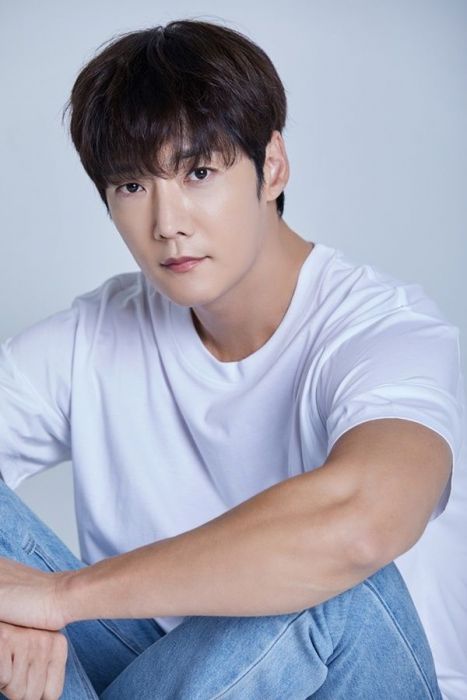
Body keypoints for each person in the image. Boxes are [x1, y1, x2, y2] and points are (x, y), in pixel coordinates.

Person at [0, 18, 465, 700]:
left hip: (359, 675)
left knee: (333, 579)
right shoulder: (94, 335)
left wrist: (59, 598)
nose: (167, 223)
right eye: (131, 186)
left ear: (271, 166)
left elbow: (366, 521)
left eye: (198, 173)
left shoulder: (382, 331)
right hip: (162, 677)